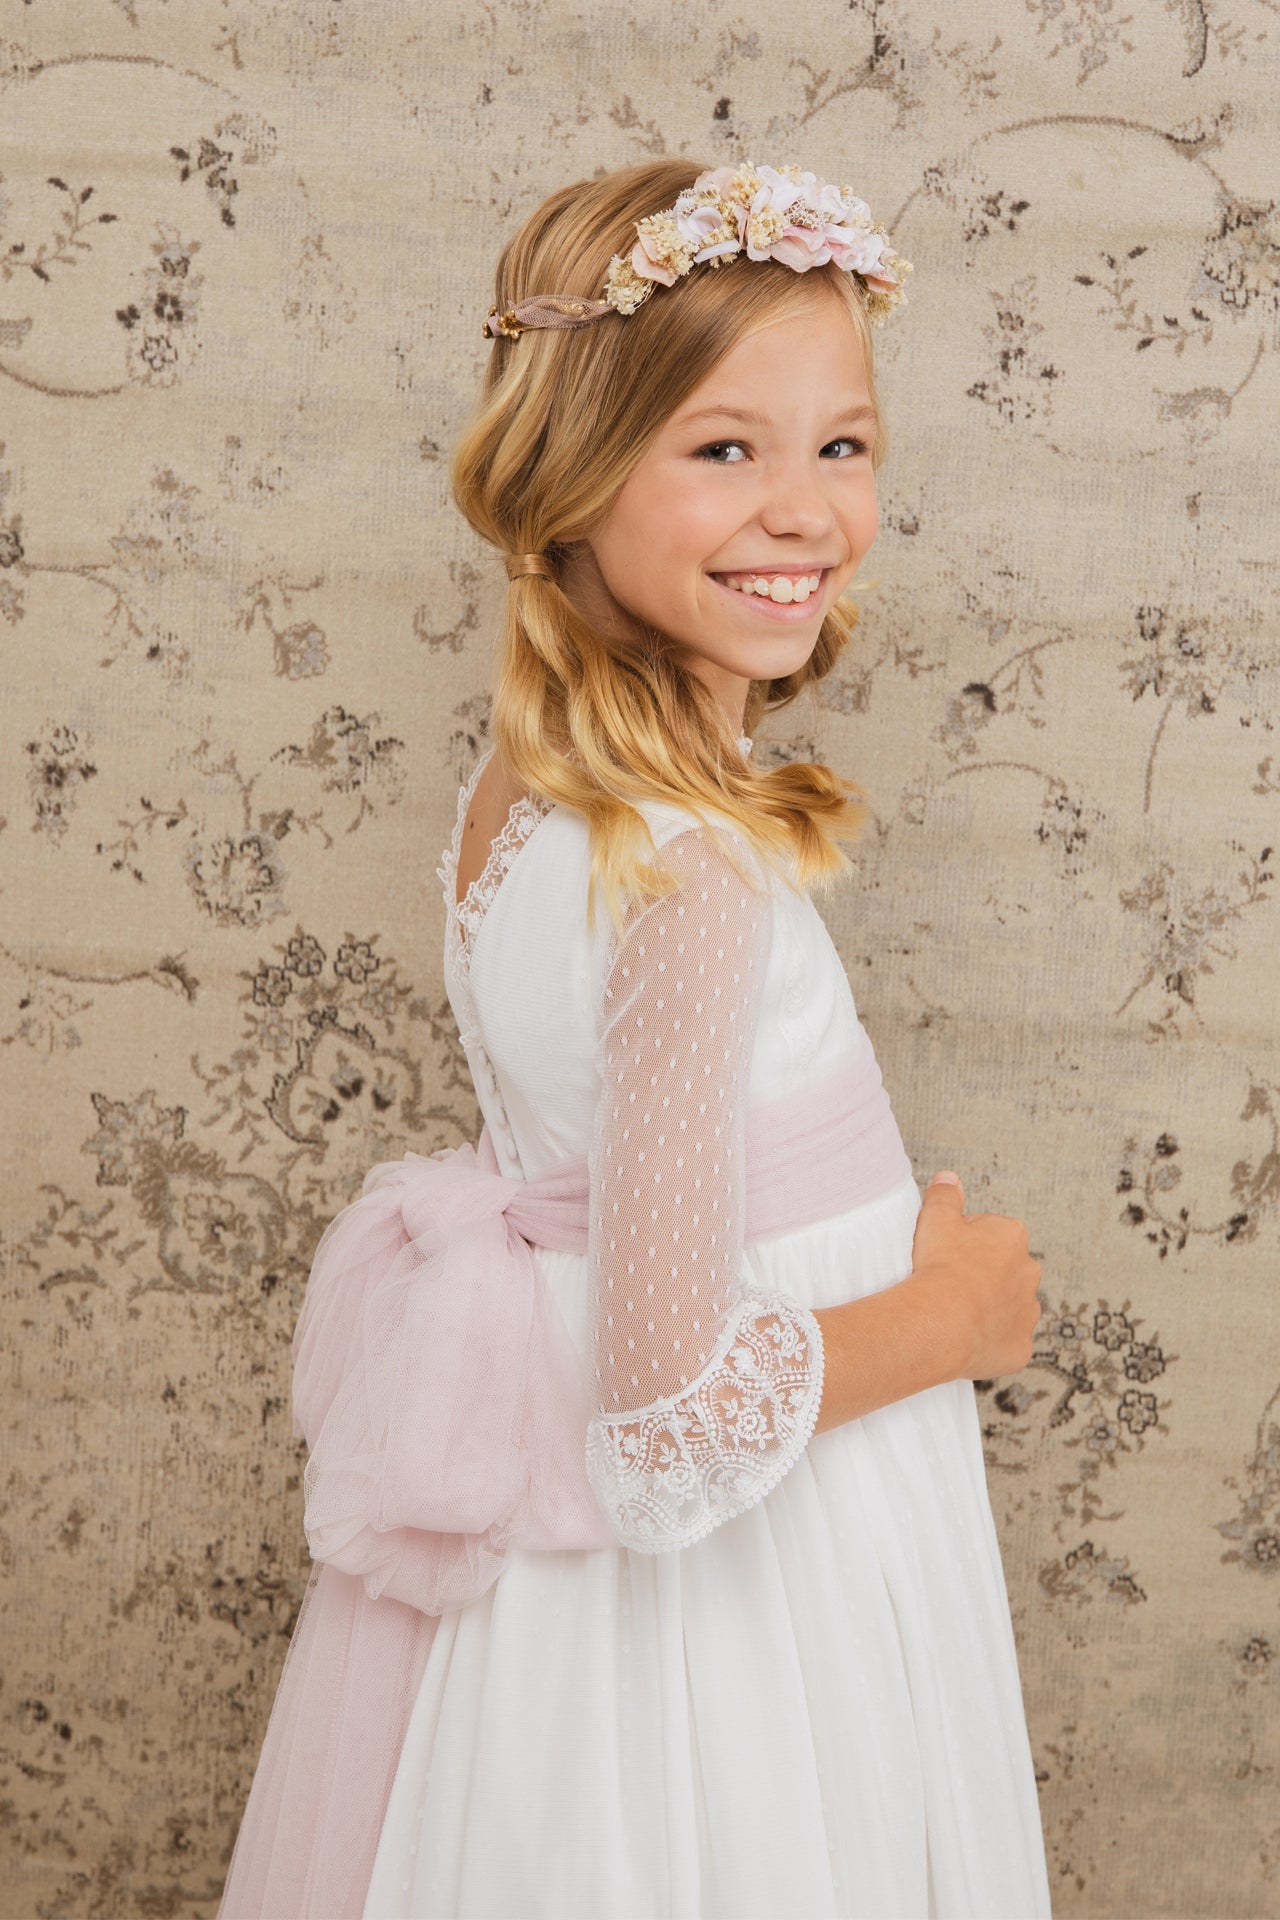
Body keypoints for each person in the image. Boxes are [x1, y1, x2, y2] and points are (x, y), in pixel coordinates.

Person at [217, 158, 1052, 1920]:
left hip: (583, 1601)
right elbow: (671, 1428)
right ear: (573, 475)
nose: (805, 510)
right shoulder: (688, 872)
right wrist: (954, 1315)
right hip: (739, 1603)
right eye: (724, 448)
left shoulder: (531, 792)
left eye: (843, 444)